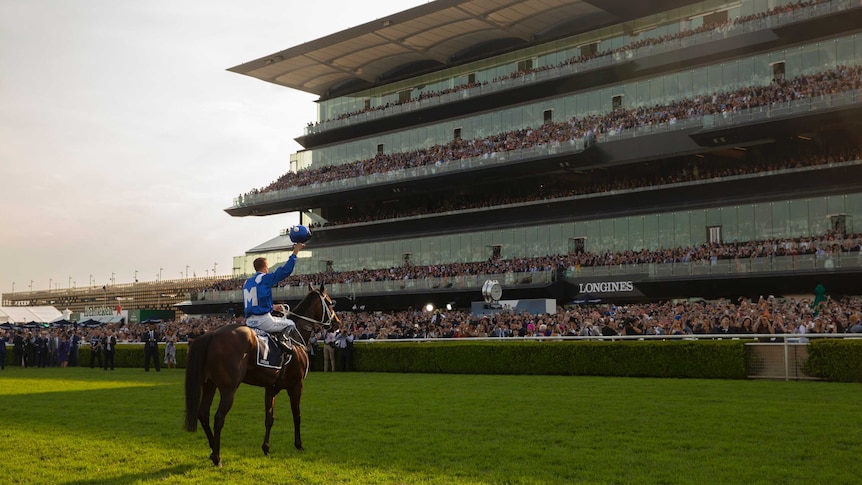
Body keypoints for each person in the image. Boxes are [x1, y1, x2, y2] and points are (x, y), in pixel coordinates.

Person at [243, 243, 305, 351]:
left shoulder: (247, 282)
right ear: (265, 267)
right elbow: (285, 271)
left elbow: (256, 302)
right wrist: (295, 252)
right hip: (263, 321)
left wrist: (273, 307)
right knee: (290, 323)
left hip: (249, 322)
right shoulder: (265, 278)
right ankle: (282, 342)